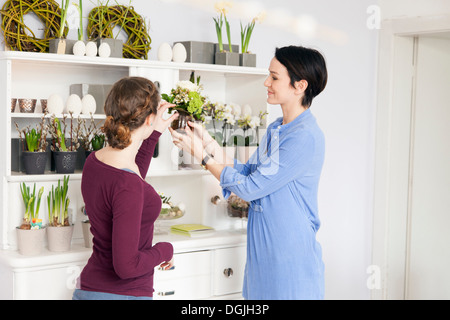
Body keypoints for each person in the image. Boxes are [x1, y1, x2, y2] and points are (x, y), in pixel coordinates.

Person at [170, 45, 327, 299]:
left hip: (290, 261)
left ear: (300, 86)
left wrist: (201, 155)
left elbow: (250, 188)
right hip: (264, 258)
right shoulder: (278, 128)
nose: (267, 82)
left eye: (275, 77)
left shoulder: (304, 138)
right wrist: (208, 141)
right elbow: (249, 172)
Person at [73, 77, 178, 300]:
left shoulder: (94, 161)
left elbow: (132, 176)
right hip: (123, 294)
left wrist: (154, 130)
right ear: (148, 118)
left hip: (89, 289)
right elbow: (127, 267)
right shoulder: (127, 184)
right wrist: (165, 249)